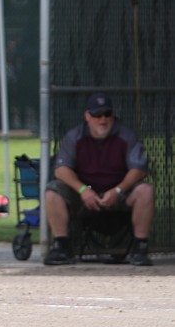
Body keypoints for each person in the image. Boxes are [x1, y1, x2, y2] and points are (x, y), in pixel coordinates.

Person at [43, 92, 154, 266]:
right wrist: (83, 190)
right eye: (97, 115)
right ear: (87, 116)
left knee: (145, 190)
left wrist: (118, 190)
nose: (103, 120)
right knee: (53, 191)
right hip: (84, 196)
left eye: (107, 114)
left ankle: (140, 248)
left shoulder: (126, 136)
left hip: (119, 195)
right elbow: (61, 170)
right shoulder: (74, 137)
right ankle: (61, 247)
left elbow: (139, 169)